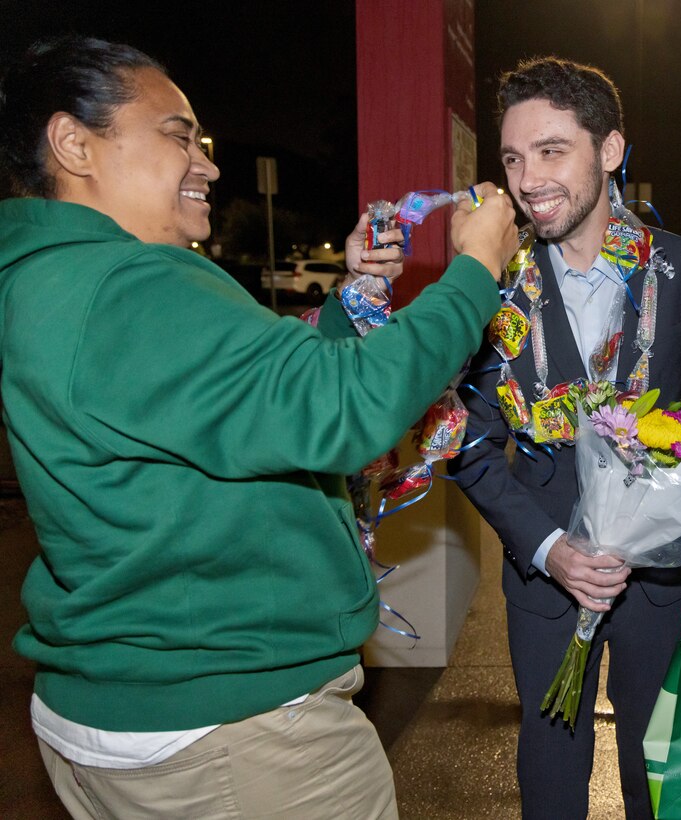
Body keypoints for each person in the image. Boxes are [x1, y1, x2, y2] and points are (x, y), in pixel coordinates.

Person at [0, 35, 518, 818]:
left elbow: (248, 400)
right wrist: (475, 271)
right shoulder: (127, 285)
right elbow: (343, 410)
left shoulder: (52, 280)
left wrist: (351, 306)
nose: (207, 163)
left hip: (133, 710)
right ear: (74, 143)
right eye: (178, 136)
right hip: (234, 735)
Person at [448, 57, 681, 819]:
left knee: (663, 777)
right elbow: (471, 444)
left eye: (552, 151)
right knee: (550, 774)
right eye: (514, 158)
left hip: (663, 578)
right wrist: (550, 549)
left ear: (610, 150)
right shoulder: (495, 286)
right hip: (547, 587)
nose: (528, 179)